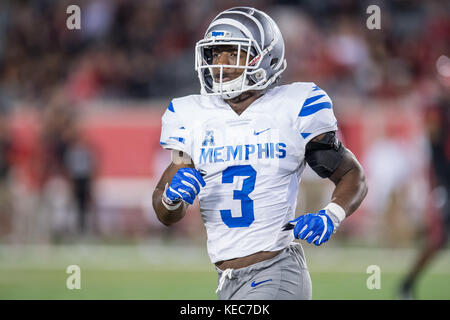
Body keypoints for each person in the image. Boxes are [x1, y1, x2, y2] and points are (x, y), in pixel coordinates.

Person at [152, 7, 367, 300]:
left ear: (265, 57)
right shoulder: (191, 116)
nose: (221, 64)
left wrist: (331, 215)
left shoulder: (294, 107)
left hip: (277, 270)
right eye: (215, 54)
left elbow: (351, 174)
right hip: (227, 281)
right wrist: (170, 197)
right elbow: (167, 213)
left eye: (233, 53)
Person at [398, 93, 450, 299]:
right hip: (444, 182)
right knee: (438, 240)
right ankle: (407, 283)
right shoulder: (437, 111)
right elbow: (434, 139)